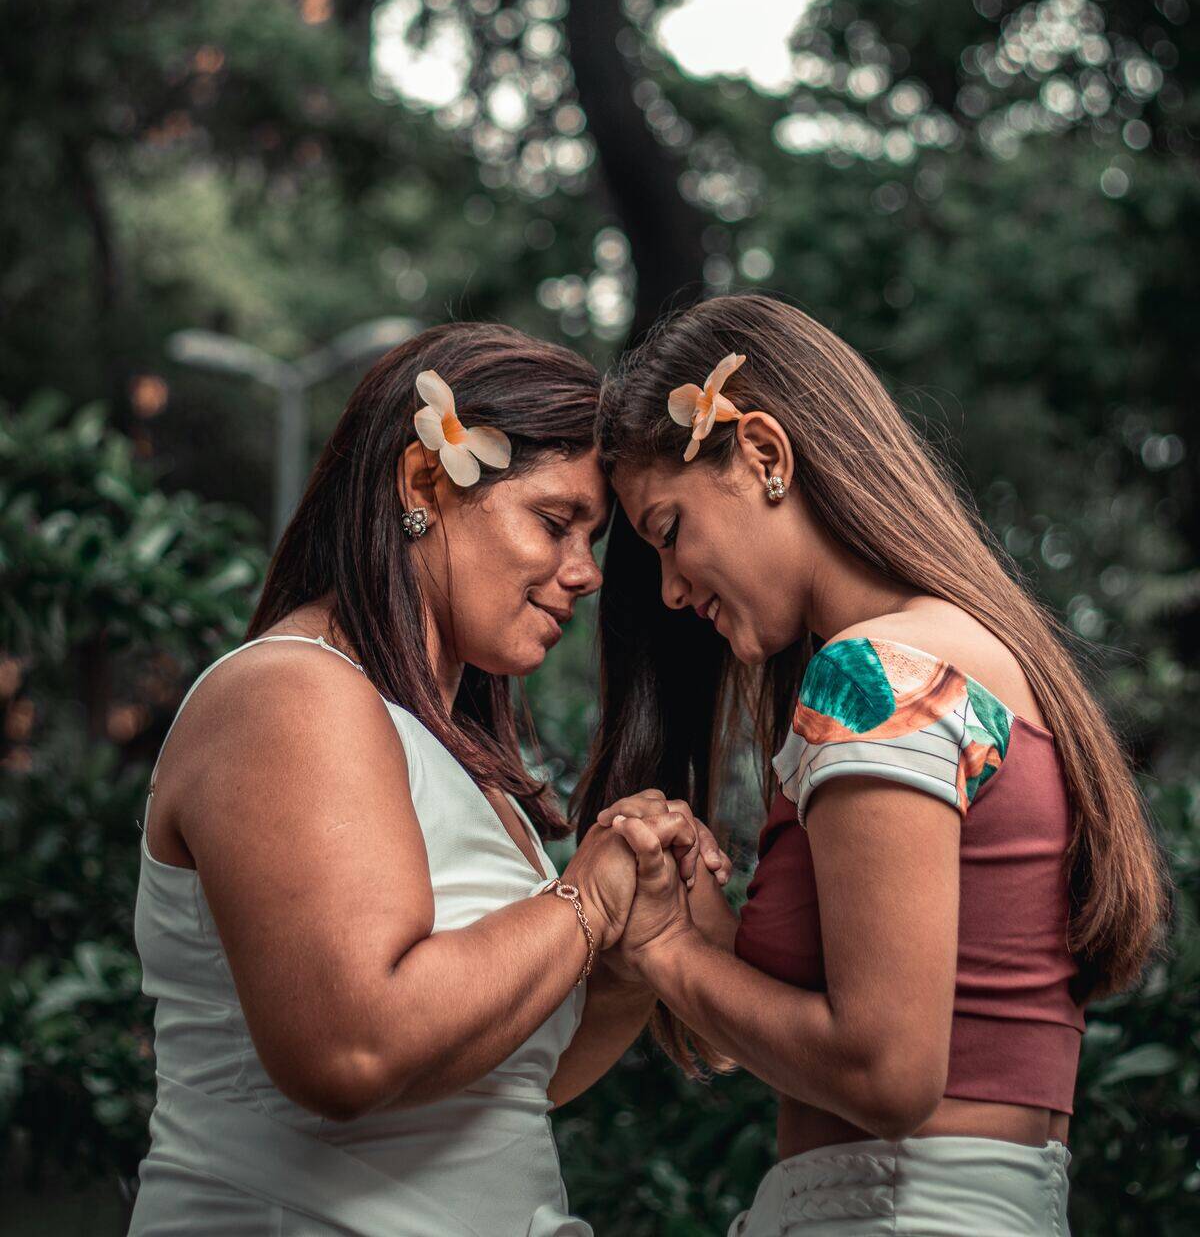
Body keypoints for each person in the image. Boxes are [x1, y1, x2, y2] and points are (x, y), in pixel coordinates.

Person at [576, 293, 1170, 1237]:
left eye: (669, 532)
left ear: (765, 457)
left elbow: (886, 1074)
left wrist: (660, 951)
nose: (675, 588)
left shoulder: (875, 676)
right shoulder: (963, 657)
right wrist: (702, 925)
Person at [129, 321, 728, 1237]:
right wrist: (584, 903)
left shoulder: (455, 756)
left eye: (595, 538)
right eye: (554, 522)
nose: (586, 574)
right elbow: (357, 1051)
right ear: (424, 485)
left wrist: (634, 949)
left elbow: (506, 1077)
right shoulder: (294, 692)